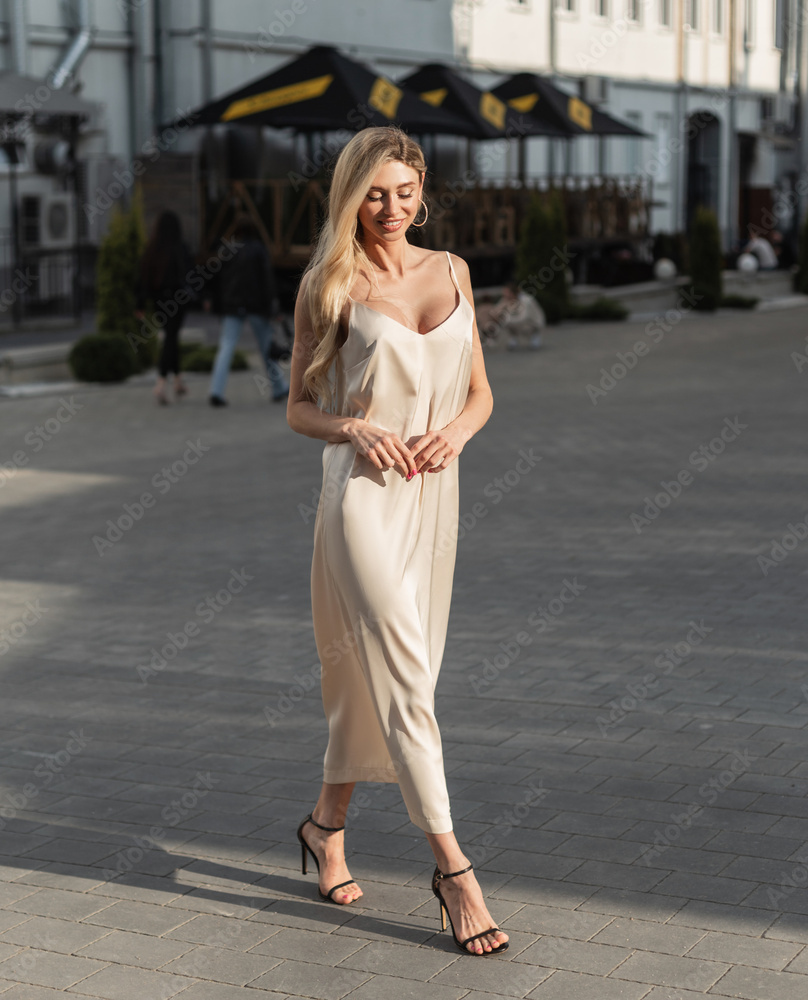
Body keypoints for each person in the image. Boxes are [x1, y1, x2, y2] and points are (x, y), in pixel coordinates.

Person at [286, 126, 509, 957]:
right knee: (408, 678)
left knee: (369, 677)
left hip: (435, 499)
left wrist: (456, 434)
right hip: (362, 504)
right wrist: (352, 427)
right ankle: (454, 872)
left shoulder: (452, 271)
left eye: (405, 192)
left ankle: (324, 828)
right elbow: (298, 408)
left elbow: (483, 390)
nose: (391, 209)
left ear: (422, 193)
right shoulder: (327, 283)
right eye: (374, 194)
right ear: (351, 195)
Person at [208, 217, 290, 406]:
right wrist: (273, 307)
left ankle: (216, 391)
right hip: (257, 306)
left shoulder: (228, 250)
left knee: (226, 346)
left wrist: (218, 305)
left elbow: (219, 280)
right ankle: (278, 387)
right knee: (267, 347)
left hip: (232, 306)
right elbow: (267, 280)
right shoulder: (258, 249)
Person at [135, 210, 195, 405]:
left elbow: (143, 279)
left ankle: (177, 381)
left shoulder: (152, 249)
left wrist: (141, 304)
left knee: (171, 337)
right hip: (178, 300)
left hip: (159, 301)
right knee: (170, 338)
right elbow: (191, 275)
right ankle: (161, 383)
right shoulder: (181, 248)